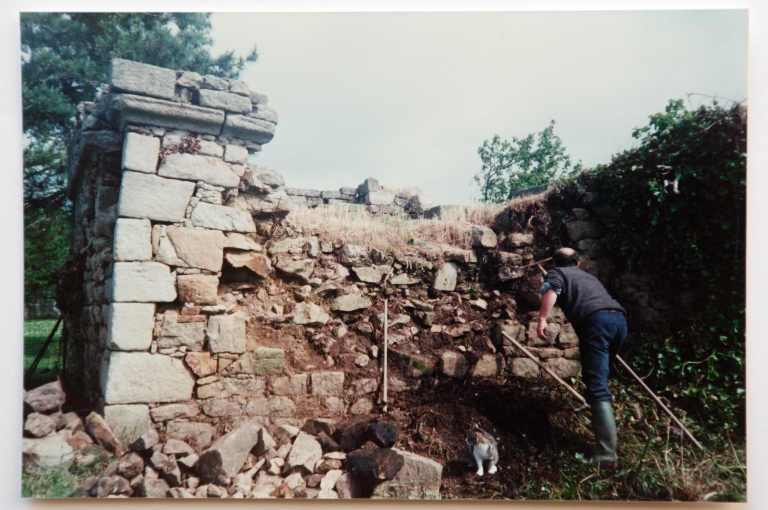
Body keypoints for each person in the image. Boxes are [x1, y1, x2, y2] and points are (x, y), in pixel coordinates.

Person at [537, 247, 627, 467]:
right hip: (619, 320)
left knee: (596, 385)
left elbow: (552, 289)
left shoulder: (557, 274)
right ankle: (600, 413)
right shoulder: (588, 276)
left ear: (555, 264)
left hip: (595, 323)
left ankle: (606, 455)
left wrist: (542, 318)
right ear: (577, 264)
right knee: (599, 377)